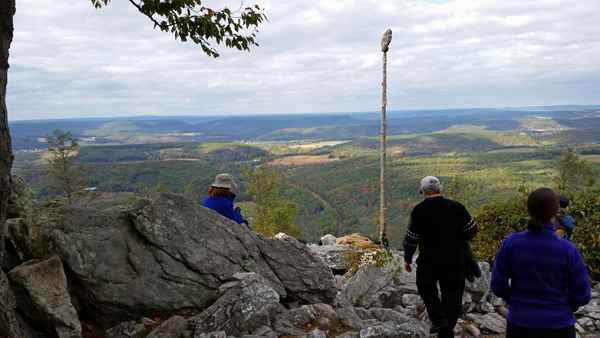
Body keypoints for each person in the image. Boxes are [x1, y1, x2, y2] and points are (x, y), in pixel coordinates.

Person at [491, 188, 590, 338]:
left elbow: (498, 284)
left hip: (520, 324)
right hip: (560, 326)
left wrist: (514, 300)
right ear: (555, 213)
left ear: (528, 210)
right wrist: (566, 307)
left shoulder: (512, 243)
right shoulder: (568, 249)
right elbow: (582, 294)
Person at [404, 176, 478, 338]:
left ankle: (439, 320)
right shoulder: (456, 207)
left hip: (429, 260)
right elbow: (472, 230)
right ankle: (445, 331)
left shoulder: (419, 210)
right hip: (456, 260)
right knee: (452, 296)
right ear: (440, 190)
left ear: (423, 192)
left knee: (424, 286)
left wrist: (408, 258)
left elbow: (412, 239)